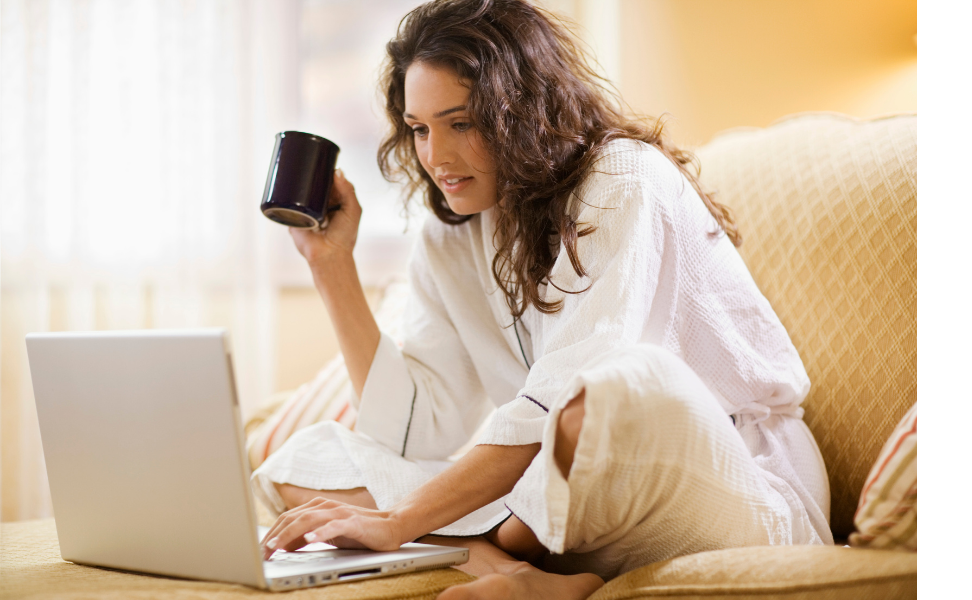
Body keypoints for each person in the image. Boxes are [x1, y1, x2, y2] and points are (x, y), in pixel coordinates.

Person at [252, 1, 833, 598]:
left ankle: (508, 536)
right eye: (420, 128)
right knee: (308, 457)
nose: (436, 157)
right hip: (558, 495)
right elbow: (417, 431)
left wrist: (402, 522)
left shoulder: (623, 178)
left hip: (724, 480)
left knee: (614, 387)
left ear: (521, 113)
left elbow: (566, 394)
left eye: (462, 123)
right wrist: (331, 267)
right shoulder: (452, 233)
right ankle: (510, 568)